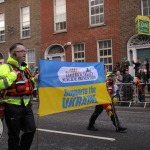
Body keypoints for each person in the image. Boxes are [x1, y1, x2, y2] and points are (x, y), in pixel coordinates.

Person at [0, 43, 38, 150]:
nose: (25, 53)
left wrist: (34, 81)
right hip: (12, 107)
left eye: (25, 51)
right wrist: (12, 75)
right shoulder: (5, 67)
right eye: (22, 51)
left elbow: (29, 85)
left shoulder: (24, 69)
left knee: (31, 130)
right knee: (14, 136)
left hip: (26, 106)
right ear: (14, 54)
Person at [87, 65, 127, 132]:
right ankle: (90, 125)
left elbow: (110, 86)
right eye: (106, 68)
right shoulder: (99, 78)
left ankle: (118, 126)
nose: (107, 69)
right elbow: (99, 88)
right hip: (101, 98)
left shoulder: (106, 77)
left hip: (107, 97)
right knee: (97, 112)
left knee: (112, 112)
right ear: (102, 70)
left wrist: (112, 84)